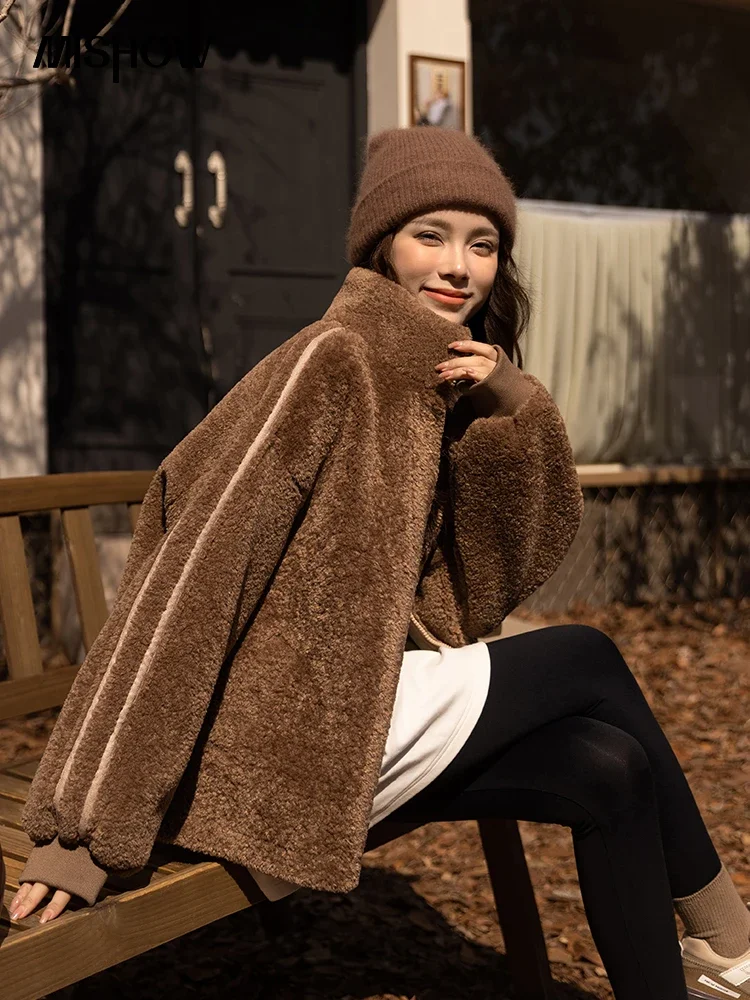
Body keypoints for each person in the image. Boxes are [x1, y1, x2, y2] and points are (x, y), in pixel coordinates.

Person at [9, 127, 749, 1000]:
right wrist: (84, 828)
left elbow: (485, 580)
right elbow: (194, 580)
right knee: (585, 655)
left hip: (347, 727)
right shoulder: (333, 359)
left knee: (608, 770)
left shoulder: (428, 381)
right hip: (276, 747)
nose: (458, 267)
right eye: (430, 235)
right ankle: (731, 942)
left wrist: (511, 407)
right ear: (382, 246)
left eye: (483, 245)